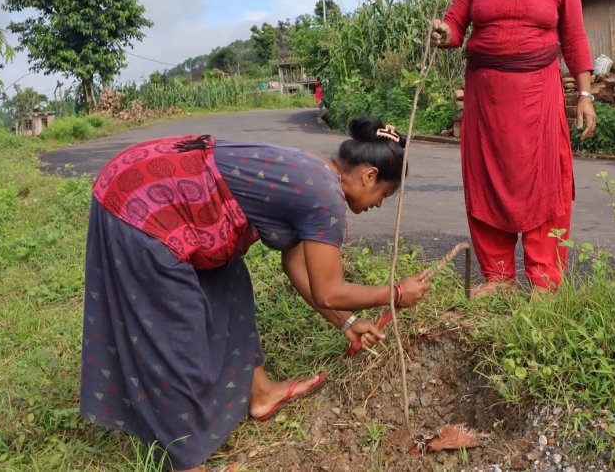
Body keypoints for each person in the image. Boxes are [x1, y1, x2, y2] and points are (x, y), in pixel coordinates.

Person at [80, 117, 432, 471]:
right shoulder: (325, 197)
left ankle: (260, 393)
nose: (379, 205)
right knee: (176, 333)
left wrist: (348, 322)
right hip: (143, 200)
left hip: (158, 183)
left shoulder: (316, 174)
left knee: (229, 288)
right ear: (369, 176)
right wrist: (398, 293)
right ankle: (184, 461)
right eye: (385, 194)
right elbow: (329, 291)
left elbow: (296, 267)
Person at [430, 0, 597, 297]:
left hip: (540, 98)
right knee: (488, 184)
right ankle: (498, 278)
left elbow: (574, 39)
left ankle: (544, 281)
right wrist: (444, 33)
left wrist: (586, 94)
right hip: (486, 103)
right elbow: (455, 25)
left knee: (546, 186)